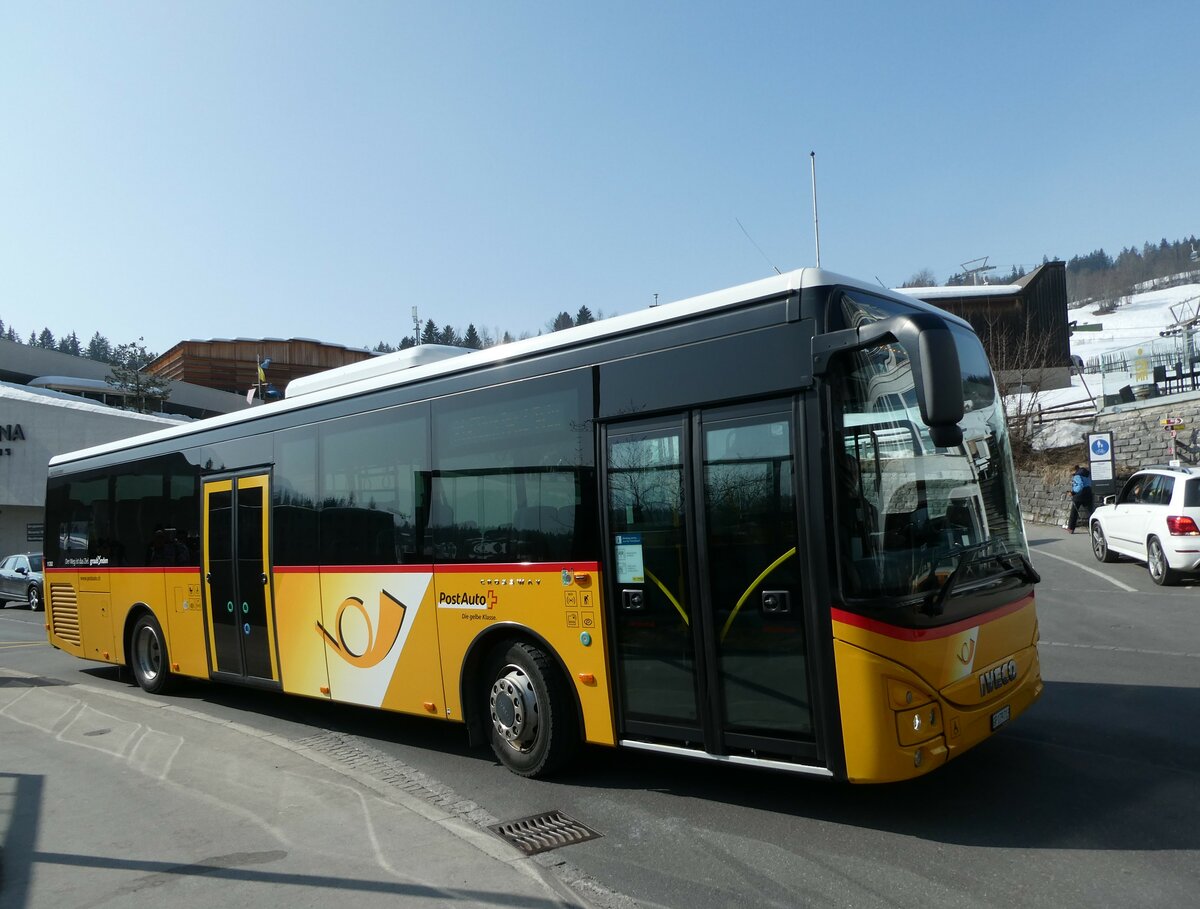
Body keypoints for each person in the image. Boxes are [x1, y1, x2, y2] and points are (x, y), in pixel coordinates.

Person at [1064, 465, 1093, 533]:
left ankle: (1071, 528)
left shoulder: (1077, 475)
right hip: (1088, 492)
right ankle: (1093, 527)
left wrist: (1073, 492)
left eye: (1071, 472)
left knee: (1074, 512)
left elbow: (1080, 485)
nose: (1071, 474)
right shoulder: (1088, 473)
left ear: (1074, 470)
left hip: (1079, 494)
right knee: (1089, 511)